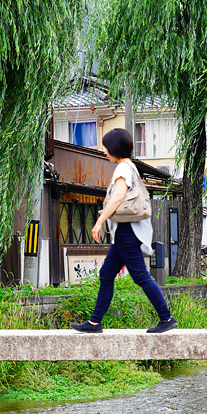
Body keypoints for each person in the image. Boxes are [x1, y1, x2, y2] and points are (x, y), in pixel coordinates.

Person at [71, 128, 178, 334]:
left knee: (140, 276)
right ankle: (95, 323)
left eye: (106, 147)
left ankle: (166, 317)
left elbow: (118, 197)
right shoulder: (129, 167)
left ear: (116, 147)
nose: (103, 151)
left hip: (127, 233)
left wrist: (100, 220)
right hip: (123, 233)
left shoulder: (122, 169)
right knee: (107, 274)